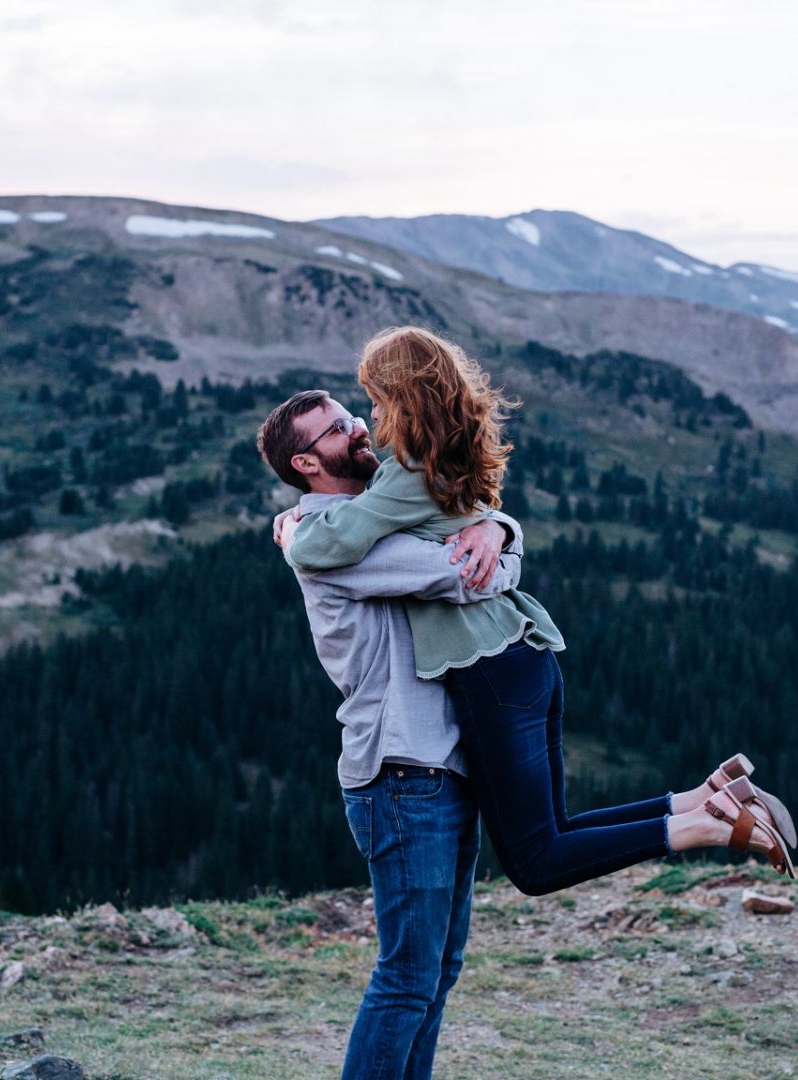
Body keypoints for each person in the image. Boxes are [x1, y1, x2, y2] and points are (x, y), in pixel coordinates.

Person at [279, 326, 798, 899]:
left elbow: (325, 547)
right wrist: (499, 528)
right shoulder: (443, 458)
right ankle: (706, 798)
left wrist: (293, 527)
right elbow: (467, 528)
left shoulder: (405, 475)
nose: (369, 418)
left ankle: (711, 827)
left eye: (374, 401)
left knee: (534, 863)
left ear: (403, 397)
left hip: (486, 670)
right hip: (524, 657)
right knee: (554, 830)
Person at [256, 388, 524, 1079]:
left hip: (440, 767)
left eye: (353, 416)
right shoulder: (329, 539)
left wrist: (499, 529)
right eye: (337, 429)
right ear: (307, 462)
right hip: (402, 775)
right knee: (407, 977)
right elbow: (463, 575)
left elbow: (479, 547)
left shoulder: (370, 519)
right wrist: (496, 544)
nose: (359, 429)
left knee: (437, 972)